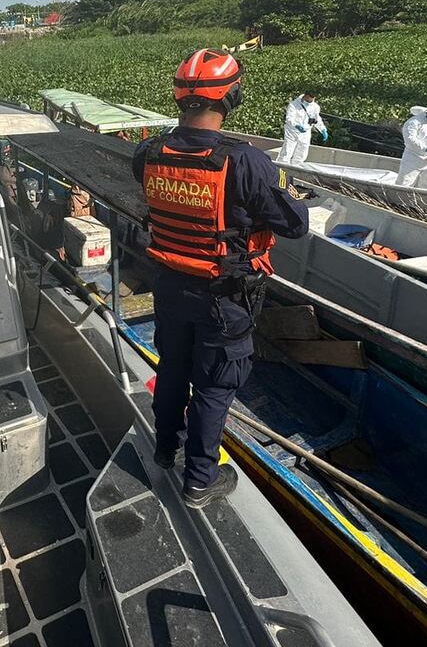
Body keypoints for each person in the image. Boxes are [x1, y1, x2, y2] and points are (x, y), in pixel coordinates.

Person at [132, 48, 309, 509]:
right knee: (214, 385)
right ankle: (199, 481)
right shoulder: (246, 161)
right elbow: (295, 223)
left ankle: (165, 448)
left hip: (169, 284)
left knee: (172, 366)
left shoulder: (148, 151)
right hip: (223, 295)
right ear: (232, 96)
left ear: (179, 97)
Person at [277, 92, 327, 164]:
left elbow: (317, 119)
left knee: (301, 154)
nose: (311, 100)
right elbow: (289, 118)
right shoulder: (294, 105)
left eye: (313, 98)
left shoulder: (315, 107)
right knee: (286, 153)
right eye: (310, 97)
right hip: (292, 131)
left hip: (305, 133)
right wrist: (296, 125)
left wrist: (322, 129)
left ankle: (295, 173)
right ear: (305, 95)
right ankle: (281, 173)